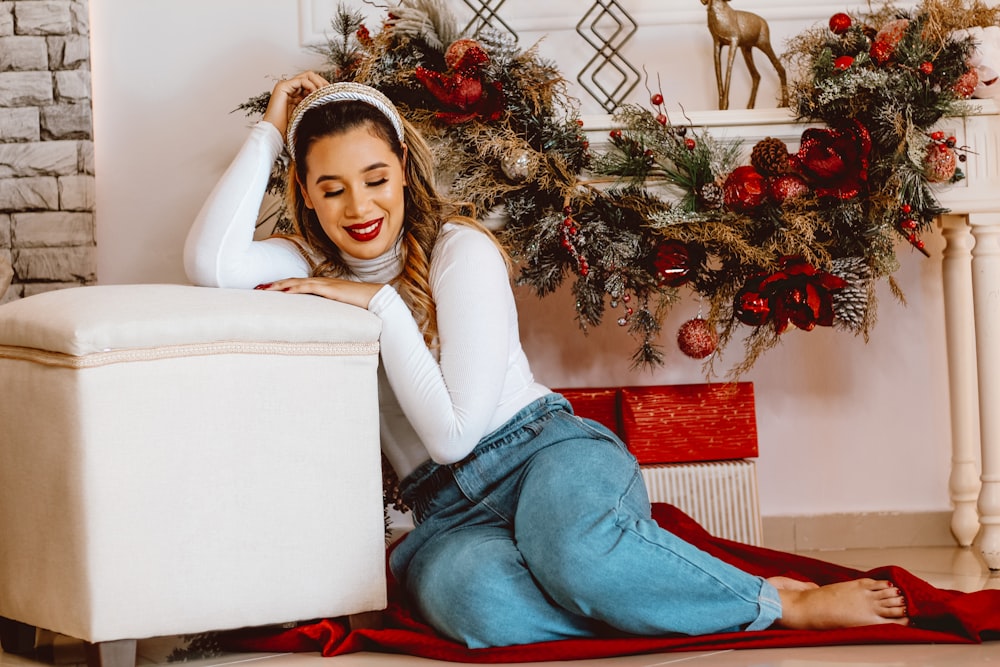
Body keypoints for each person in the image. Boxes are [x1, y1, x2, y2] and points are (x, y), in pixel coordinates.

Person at [184, 71, 909, 649]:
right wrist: (270, 130)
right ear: (306, 194)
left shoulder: (457, 252)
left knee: (578, 556)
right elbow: (209, 259)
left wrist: (376, 305)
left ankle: (778, 600)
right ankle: (642, 597)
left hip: (542, 454)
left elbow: (455, 432)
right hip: (444, 513)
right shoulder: (306, 263)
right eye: (331, 187)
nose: (358, 206)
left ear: (404, 168)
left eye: (375, 177)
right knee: (482, 611)